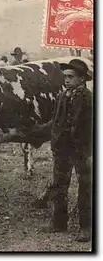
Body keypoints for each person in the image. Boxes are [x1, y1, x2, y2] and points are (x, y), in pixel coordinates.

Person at [40, 59, 93, 242]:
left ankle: (86, 227)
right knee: (59, 184)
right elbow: (56, 121)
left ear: (82, 79)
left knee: (86, 187)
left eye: (71, 77)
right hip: (63, 148)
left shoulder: (89, 98)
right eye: (65, 77)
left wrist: (91, 152)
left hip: (82, 150)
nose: (67, 80)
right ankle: (59, 222)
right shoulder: (62, 96)